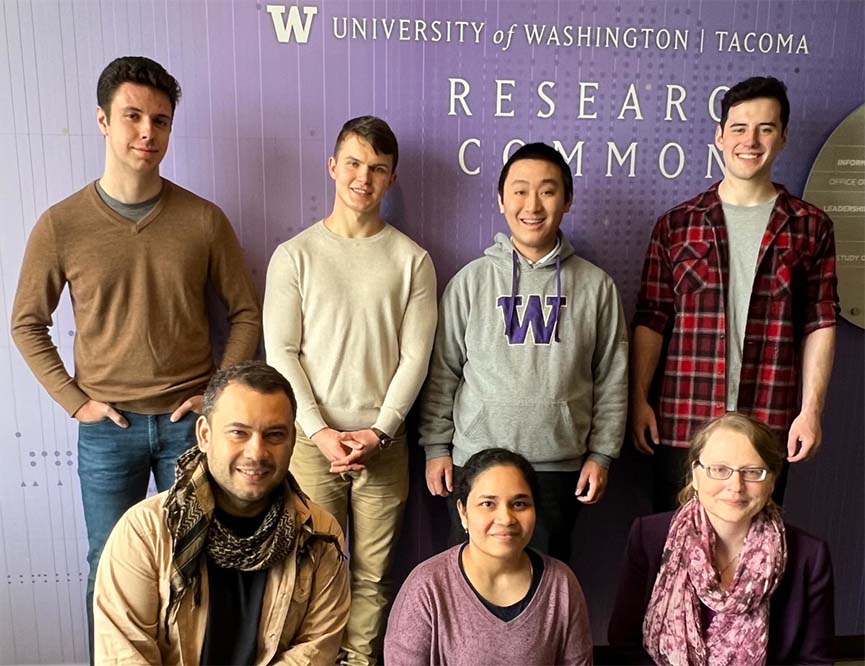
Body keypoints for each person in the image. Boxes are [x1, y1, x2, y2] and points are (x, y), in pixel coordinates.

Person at [10, 56, 261, 647]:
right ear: (102, 121)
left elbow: (246, 313)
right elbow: (27, 323)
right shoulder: (61, 225)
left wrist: (216, 400)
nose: (148, 132)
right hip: (107, 431)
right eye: (133, 117)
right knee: (109, 568)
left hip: (191, 428)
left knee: (200, 565)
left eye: (161, 120)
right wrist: (75, 403)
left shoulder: (203, 220)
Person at [263, 115, 438, 665]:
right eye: (355, 163)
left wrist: (380, 432)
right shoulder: (294, 256)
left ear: (390, 179)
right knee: (307, 571)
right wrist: (318, 432)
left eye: (378, 169)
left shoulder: (413, 260)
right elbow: (281, 353)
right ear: (333, 166)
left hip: (383, 447)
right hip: (311, 447)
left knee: (372, 577)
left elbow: (416, 357)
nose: (364, 177)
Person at [631, 76, 839, 511]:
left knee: (754, 559)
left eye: (765, 128)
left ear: (782, 137)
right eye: (740, 128)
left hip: (768, 419)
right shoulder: (677, 225)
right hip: (682, 418)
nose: (751, 140)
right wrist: (639, 400)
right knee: (672, 551)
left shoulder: (810, 226)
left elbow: (819, 323)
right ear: (720, 136)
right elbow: (652, 318)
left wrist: (811, 410)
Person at [419, 142, 628, 562]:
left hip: (558, 467)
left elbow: (611, 378)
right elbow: (444, 371)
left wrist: (602, 454)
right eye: (519, 190)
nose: (532, 204)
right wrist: (437, 447)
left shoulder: (596, 287)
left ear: (567, 200)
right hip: (474, 462)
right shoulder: (471, 282)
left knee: (544, 587)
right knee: (468, 586)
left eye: (548, 191)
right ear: (501, 201)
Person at [93, 361, 350, 664]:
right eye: (239, 433)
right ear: (204, 434)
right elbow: (125, 656)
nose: (257, 452)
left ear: (292, 440)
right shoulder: (144, 532)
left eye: (275, 435)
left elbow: (315, 650)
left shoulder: (319, 532)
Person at [608, 412, 834, 665]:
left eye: (752, 472)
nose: (735, 485)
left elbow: (815, 661)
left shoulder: (809, 555)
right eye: (719, 469)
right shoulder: (649, 537)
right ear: (696, 474)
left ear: (771, 481)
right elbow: (625, 647)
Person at [384, 448, 592, 666]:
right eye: (488, 504)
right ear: (463, 512)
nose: (506, 518)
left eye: (519, 504)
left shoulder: (561, 583)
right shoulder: (427, 586)